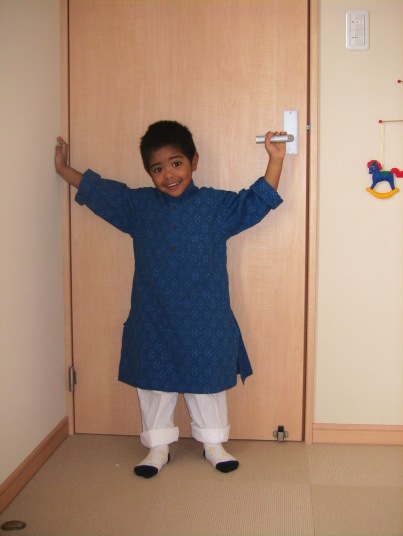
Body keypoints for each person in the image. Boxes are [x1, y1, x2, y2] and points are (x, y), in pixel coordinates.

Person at [55, 120, 286, 478]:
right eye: (157, 169)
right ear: (149, 173)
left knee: (208, 380)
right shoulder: (138, 206)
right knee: (154, 383)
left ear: (194, 161)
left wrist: (276, 159)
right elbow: (100, 192)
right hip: (154, 314)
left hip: (206, 317)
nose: (168, 175)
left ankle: (213, 443)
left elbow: (255, 203)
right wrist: (63, 169)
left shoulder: (215, 205)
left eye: (176, 163)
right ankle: (158, 446)